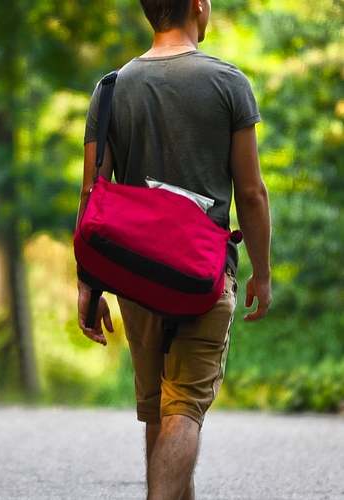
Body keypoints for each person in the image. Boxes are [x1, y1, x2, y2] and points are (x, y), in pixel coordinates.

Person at [76, 1, 272, 499]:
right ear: (197, 5)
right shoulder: (228, 83)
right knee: (183, 407)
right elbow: (251, 192)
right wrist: (262, 272)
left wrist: (89, 283)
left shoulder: (111, 88)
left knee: (159, 412)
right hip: (204, 275)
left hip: (136, 276)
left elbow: (92, 194)